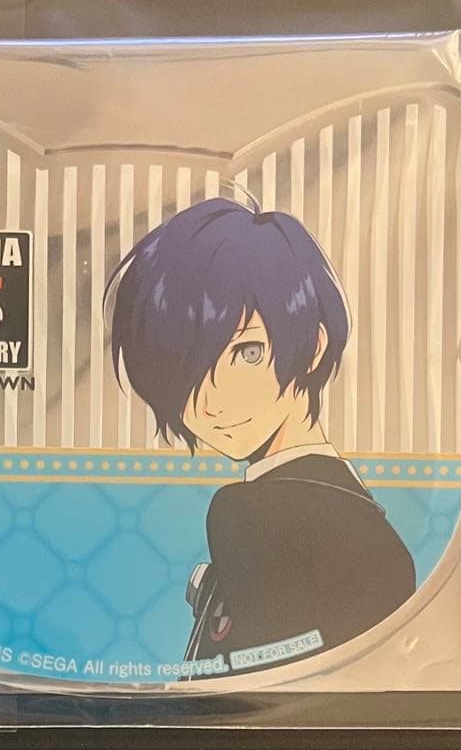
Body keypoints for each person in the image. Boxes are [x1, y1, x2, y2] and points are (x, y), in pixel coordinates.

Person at [106, 197, 415, 672]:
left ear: (313, 346)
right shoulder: (372, 523)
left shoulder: (247, 511)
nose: (212, 400)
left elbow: (251, 691)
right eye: (184, 372)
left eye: (247, 353)